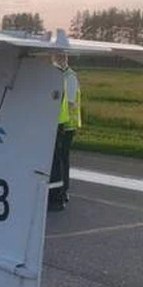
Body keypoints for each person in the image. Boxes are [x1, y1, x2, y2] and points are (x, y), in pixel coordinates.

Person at [49, 52, 82, 211]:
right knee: (59, 160)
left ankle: (62, 192)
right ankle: (61, 191)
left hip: (66, 125)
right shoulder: (61, 75)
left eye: (57, 58)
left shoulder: (69, 77)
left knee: (61, 161)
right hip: (61, 123)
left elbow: (69, 103)